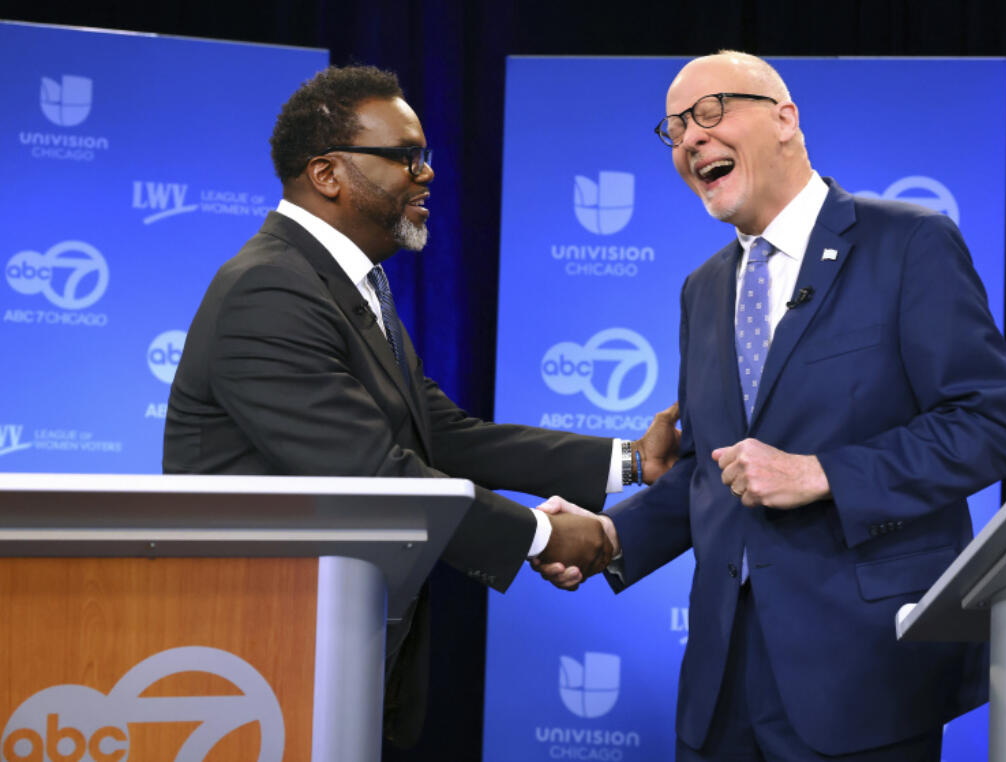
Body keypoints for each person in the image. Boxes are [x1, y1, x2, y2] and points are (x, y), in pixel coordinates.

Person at [162, 64, 678, 748]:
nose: (427, 174)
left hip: (346, 643)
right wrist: (542, 535)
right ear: (328, 175)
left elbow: (441, 433)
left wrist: (634, 463)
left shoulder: (351, 285)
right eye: (407, 158)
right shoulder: (270, 290)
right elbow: (368, 474)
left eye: (424, 157)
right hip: (261, 660)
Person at [536, 52, 1006, 761]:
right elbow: (715, 470)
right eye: (673, 129)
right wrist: (614, 537)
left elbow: (987, 426)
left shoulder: (908, 244)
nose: (690, 139)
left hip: (863, 676)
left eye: (710, 112)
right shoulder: (702, 289)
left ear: (785, 119)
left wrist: (823, 472)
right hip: (719, 687)